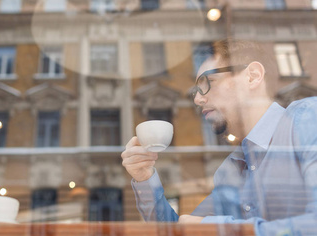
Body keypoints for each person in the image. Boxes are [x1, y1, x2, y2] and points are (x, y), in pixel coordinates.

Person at [122, 39, 317, 235]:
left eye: (209, 83)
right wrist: (144, 178)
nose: (198, 99)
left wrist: (220, 229)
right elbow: (179, 230)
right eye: (196, 92)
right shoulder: (229, 170)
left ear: (252, 76)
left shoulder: (307, 119)